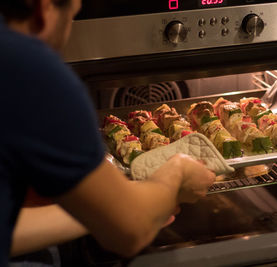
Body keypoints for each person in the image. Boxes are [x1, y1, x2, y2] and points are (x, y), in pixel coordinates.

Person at [0, 0, 216, 265]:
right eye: (71, 17)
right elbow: (131, 232)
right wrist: (177, 173)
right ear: (44, 10)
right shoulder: (30, 70)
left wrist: (98, 211)